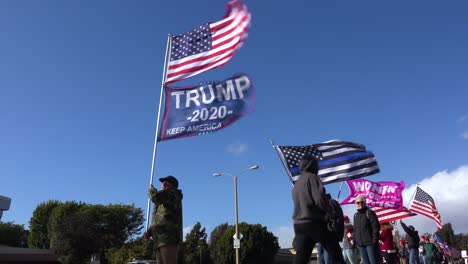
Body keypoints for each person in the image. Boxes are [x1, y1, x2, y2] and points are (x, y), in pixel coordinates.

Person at [292, 155, 346, 264]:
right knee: (334, 249)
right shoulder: (312, 177)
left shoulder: (296, 184)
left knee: (301, 257)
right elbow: (319, 199)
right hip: (313, 222)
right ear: (312, 165)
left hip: (298, 224)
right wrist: (330, 211)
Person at [147, 175, 183, 264]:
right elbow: (159, 219)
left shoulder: (172, 194)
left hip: (168, 239)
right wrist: (150, 231)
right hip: (159, 239)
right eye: (163, 182)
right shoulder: (163, 200)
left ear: (174, 186)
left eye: (167, 182)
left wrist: (151, 189)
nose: (164, 183)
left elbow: (155, 197)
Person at [353, 194, 381, 264]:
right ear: (356, 204)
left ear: (365, 202)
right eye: (358, 202)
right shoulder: (355, 215)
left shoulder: (370, 213)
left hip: (370, 243)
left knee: (373, 262)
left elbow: (376, 227)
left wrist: (374, 240)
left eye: (362, 202)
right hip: (360, 244)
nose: (360, 204)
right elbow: (355, 229)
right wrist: (354, 240)